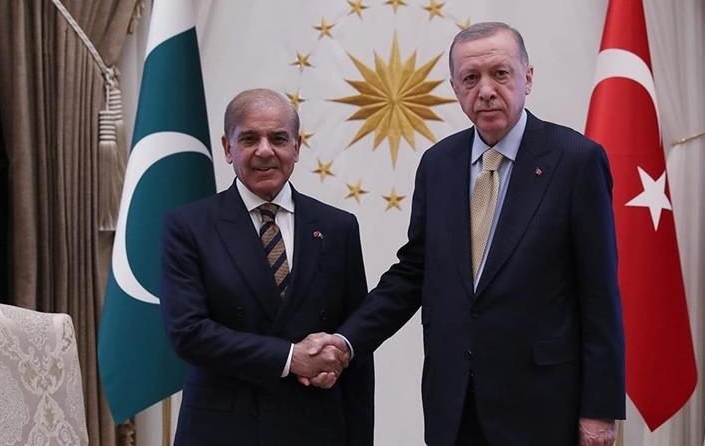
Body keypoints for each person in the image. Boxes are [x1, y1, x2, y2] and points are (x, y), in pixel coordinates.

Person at [306, 22, 625, 445]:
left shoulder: (576, 161)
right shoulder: (438, 164)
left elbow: (599, 293)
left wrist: (599, 409)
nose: (486, 90)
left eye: (500, 74)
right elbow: (413, 272)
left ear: (528, 78)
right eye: (471, 78)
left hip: (543, 408)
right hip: (454, 406)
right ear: (455, 88)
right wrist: (347, 342)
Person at [159, 89, 374, 446]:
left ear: (296, 147)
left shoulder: (338, 227)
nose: (264, 150)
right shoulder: (189, 227)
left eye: (278, 139)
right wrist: (290, 358)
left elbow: (355, 346)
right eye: (249, 139)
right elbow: (188, 332)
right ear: (228, 148)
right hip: (223, 432)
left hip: (315, 430)